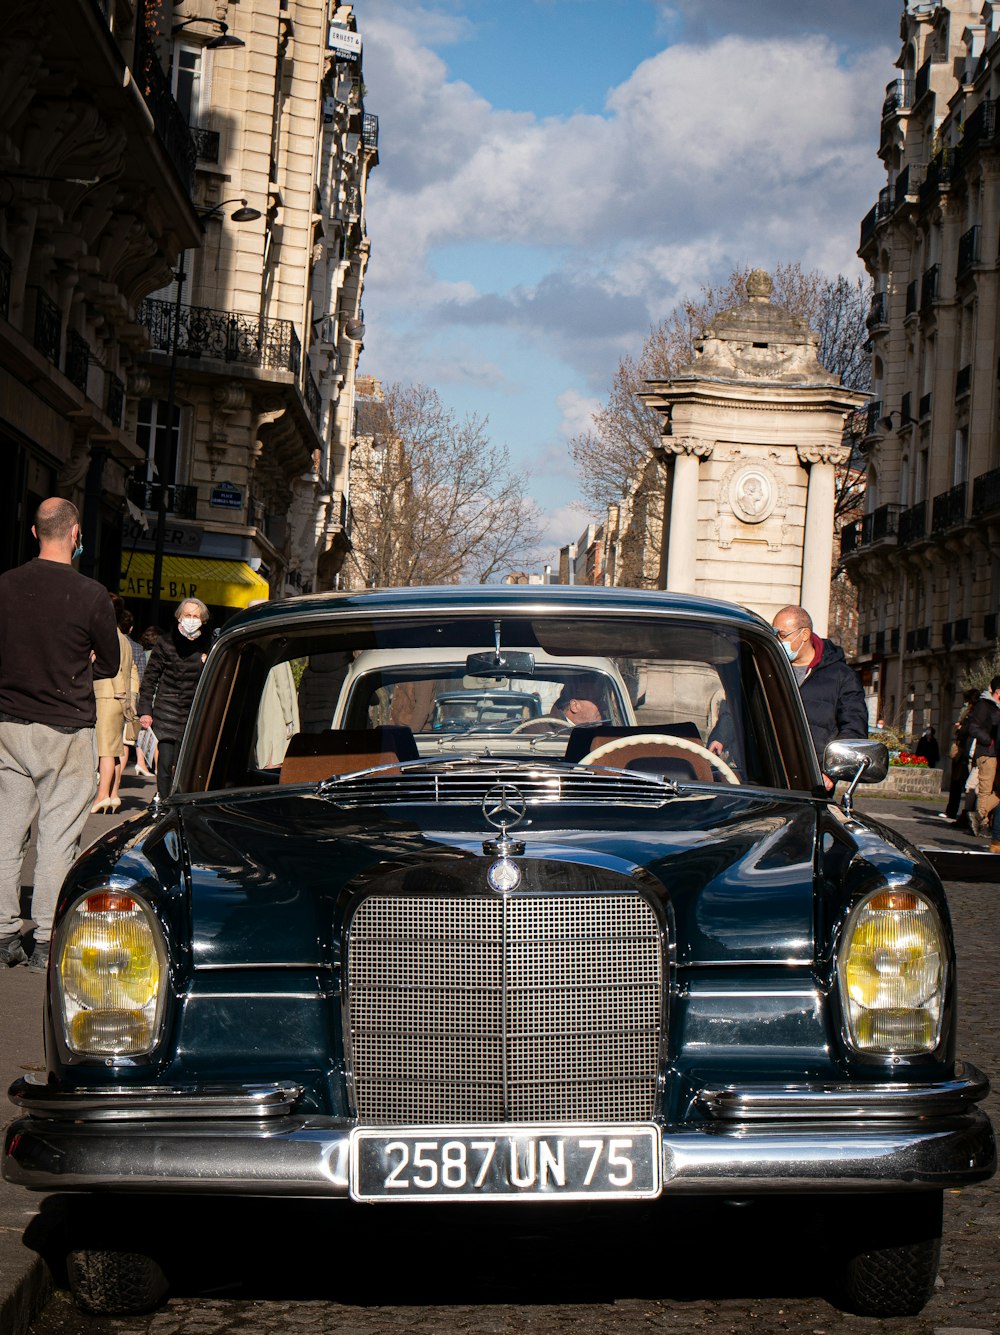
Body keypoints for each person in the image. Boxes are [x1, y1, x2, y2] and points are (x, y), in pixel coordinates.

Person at [0, 497, 120, 969]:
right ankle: (46, 938)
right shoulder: (91, 595)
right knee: (57, 838)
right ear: (75, 535)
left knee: (7, 834)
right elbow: (109, 663)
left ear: (34, 533)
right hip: (66, 728)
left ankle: (5, 931)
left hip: (9, 725)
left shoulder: (6, 586)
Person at [769, 605, 869, 789]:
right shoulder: (770, 667)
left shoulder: (842, 676)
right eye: (775, 635)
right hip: (766, 773)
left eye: (783, 635)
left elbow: (854, 728)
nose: (778, 641)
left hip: (812, 781)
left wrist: (831, 772)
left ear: (804, 634)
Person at [137, 598, 212, 799]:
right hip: (166, 710)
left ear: (203, 620)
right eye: (187, 615)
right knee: (165, 762)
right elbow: (150, 678)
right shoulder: (165, 642)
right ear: (179, 616)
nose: (191, 619)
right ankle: (164, 800)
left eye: (196, 616)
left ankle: (180, 801)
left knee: (184, 764)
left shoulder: (208, 644)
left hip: (192, 711)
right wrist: (145, 711)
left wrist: (206, 663)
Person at [92, 595, 140, 814]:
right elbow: (132, 672)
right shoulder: (123, 638)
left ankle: (102, 796)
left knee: (105, 751)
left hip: (107, 696)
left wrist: (121, 696)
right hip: (117, 699)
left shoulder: (108, 636)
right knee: (114, 749)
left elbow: (116, 670)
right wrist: (129, 699)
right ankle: (112, 795)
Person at [965, 675, 1000, 837]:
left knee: (995, 789)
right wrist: (989, 741)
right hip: (987, 753)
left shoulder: (996, 707)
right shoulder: (984, 705)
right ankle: (980, 819)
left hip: (995, 753)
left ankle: (980, 817)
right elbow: (973, 727)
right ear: (998, 691)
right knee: (986, 789)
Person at [940, 688, 980, 822]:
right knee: (960, 784)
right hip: (962, 751)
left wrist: (960, 728)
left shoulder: (973, 712)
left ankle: (964, 813)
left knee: (965, 784)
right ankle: (958, 812)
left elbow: (968, 730)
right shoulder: (969, 712)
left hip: (965, 752)